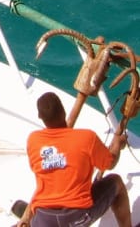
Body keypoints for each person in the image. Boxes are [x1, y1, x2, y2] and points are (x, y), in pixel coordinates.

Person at [17, 91, 134, 227]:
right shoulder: (87, 138)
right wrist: (117, 145)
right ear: (63, 111)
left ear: (40, 117)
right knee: (116, 182)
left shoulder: (33, 140)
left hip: (44, 219)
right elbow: (110, 163)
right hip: (76, 217)